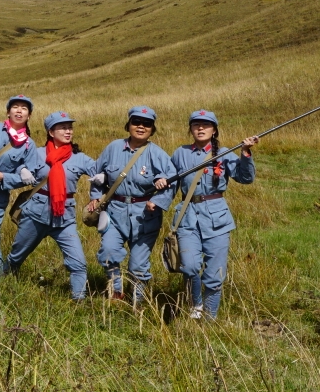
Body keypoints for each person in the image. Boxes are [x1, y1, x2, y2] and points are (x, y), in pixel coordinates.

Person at [169, 111, 258, 319]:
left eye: (206, 125)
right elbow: (170, 184)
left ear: (214, 130)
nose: (200, 129)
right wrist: (157, 198)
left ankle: (210, 320)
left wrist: (245, 153)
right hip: (187, 216)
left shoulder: (226, 153)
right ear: (190, 129)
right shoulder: (180, 153)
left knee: (215, 274)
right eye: (196, 125)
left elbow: (245, 178)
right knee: (189, 266)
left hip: (217, 219)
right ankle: (196, 305)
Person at [6, 111, 99, 300]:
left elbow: (99, 175)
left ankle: (78, 302)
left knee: (78, 263)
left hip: (65, 218)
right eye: (63, 128)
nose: (68, 131)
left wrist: (95, 196)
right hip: (35, 214)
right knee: (16, 256)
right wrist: (21, 169)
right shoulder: (37, 153)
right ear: (51, 132)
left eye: (70, 127)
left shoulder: (80, 158)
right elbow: (15, 164)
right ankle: (3, 286)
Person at [88, 106, 174, 307]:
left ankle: (138, 305)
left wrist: (158, 200)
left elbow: (172, 182)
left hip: (145, 215)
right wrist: (95, 196)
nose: (141, 127)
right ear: (128, 125)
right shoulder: (113, 148)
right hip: (114, 211)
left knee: (138, 266)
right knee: (108, 252)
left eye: (147, 124)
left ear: (152, 129)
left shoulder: (158, 154)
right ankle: (116, 294)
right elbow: (96, 174)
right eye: (136, 122)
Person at [0, 94, 39, 286]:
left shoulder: (29, 144)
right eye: (15, 107)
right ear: (8, 111)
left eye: (24, 108)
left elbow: (30, 177)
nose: (19, 111)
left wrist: (6, 177)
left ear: (29, 115)